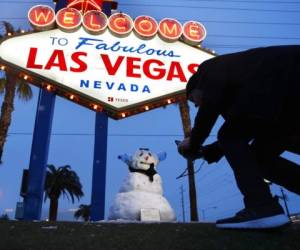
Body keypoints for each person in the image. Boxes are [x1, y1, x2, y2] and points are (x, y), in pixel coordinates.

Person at [177, 45, 300, 229]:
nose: (196, 105)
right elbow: (248, 130)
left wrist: (192, 144)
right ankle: (264, 208)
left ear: (196, 87)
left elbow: (209, 114)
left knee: (229, 135)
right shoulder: (247, 86)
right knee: (259, 157)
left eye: (193, 100)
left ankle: (262, 207)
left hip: (290, 85)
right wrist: (208, 151)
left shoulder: (209, 69)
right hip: (288, 105)